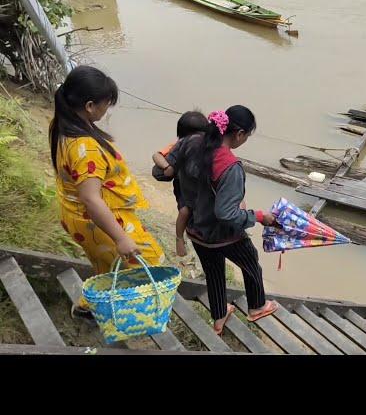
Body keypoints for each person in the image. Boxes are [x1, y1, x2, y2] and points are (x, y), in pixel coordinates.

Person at [49, 65, 164, 319]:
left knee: (106, 265)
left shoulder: (62, 125)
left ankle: (87, 308)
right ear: (90, 106)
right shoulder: (85, 147)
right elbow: (91, 198)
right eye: (105, 104)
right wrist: (121, 237)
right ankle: (124, 313)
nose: (106, 110)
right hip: (94, 217)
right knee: (149, 260)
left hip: (76, 215)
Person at [161, 106, 278, 335]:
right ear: (240, 134)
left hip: (195, 229)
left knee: (214, 271)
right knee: (251, 262)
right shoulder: (230, 167)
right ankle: (257, 306)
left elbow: (162, 169)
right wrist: (260, 216)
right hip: (222, 234)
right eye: (247, 136)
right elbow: (227, 214)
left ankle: (219, 316)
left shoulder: (191, 142)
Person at [151, 110, 208, 258]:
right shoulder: (177, 145)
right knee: (185, 211)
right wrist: (167, 167)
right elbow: (156, 155)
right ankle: (179, 239)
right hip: (184, 188)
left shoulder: (208, 146)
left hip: (198, 187)